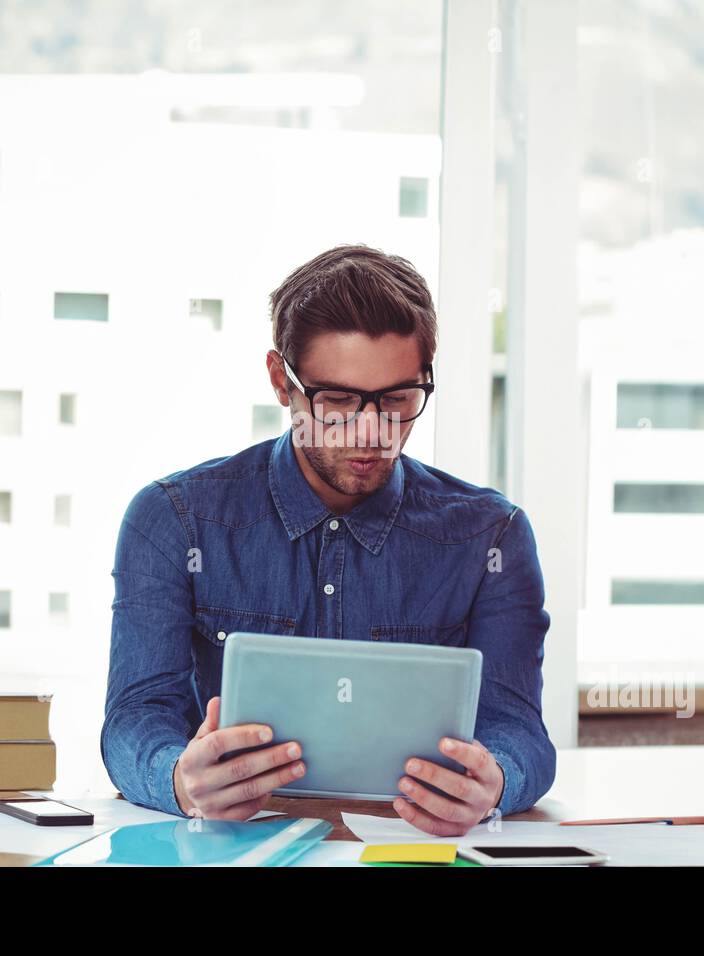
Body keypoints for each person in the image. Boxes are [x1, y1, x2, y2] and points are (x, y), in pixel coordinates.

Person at [101, 243, 555, 836]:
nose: (371, 433)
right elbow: (135, 718)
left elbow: (520, 730)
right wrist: (179, 779)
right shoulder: (173, 520)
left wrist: (495, 780)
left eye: (396, 400)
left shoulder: (492, 537)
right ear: (279, 381)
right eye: (337, 400)